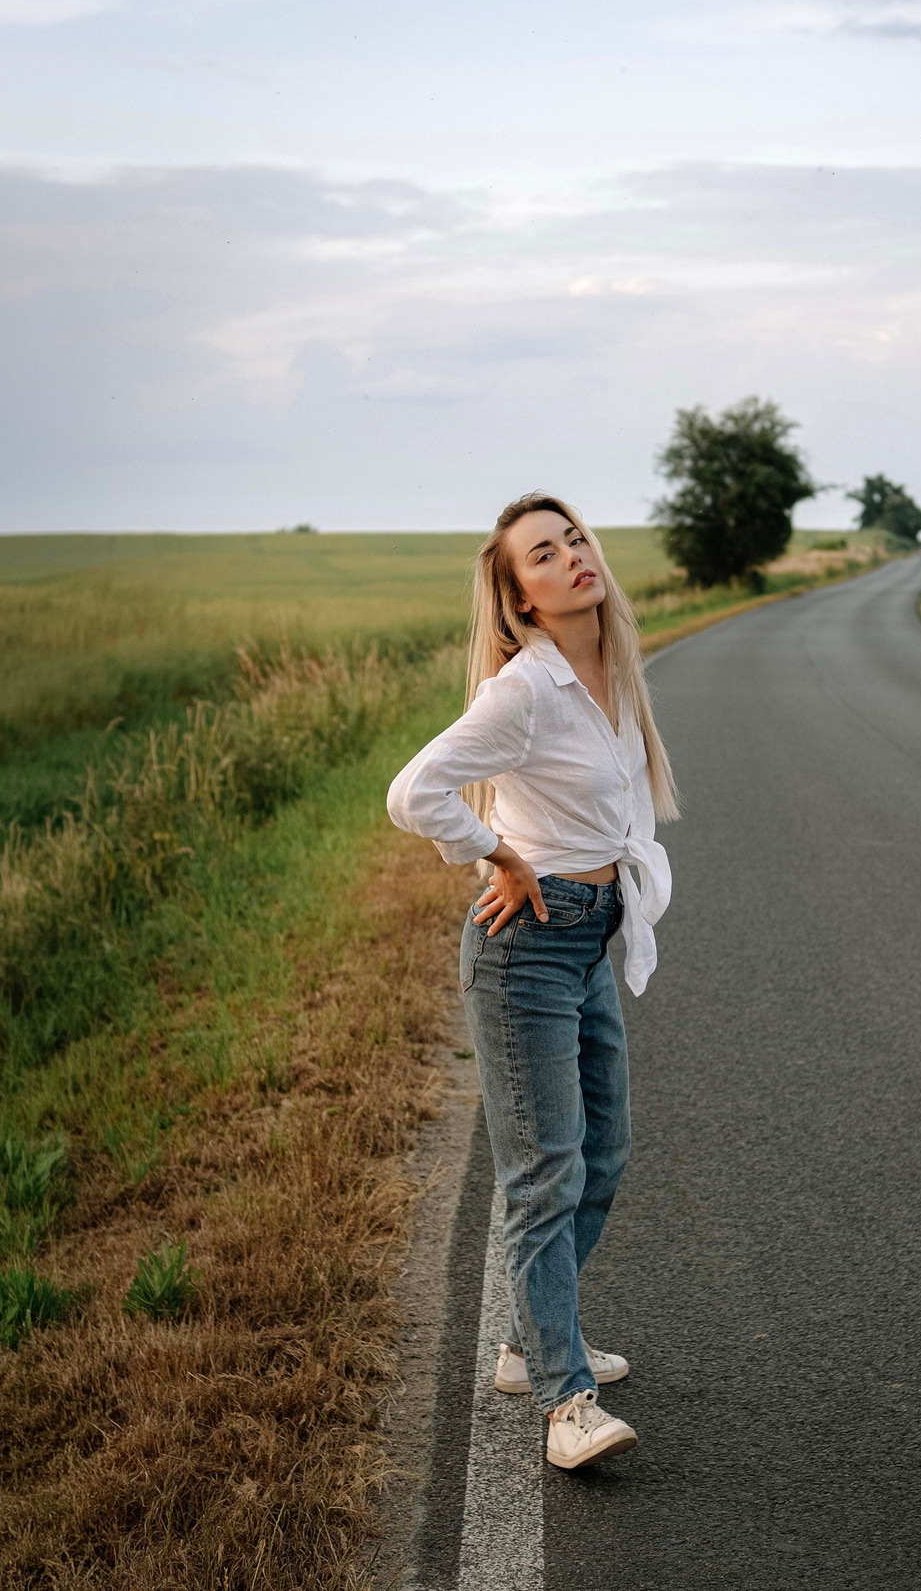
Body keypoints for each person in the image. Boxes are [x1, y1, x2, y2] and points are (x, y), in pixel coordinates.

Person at [386, 491, 678, 1471]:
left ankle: (528, 1341)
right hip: (526, 949)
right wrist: (497, 854)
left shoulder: (613, 673)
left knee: (606, 1156)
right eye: (543, 557)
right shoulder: (526, 688)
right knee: (547, 1171)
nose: (572, 559)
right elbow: (413, 790)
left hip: (589, 936)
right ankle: (564, 1401)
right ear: (520, 600)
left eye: (576, 540)